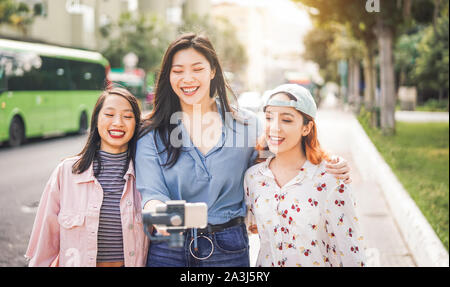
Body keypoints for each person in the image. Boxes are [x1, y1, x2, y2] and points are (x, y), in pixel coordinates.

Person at [136, 33, 352, 267]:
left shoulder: (248, 125)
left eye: (197, 69)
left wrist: (328, 163)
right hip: (169, 247)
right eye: (178, 71)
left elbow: (287, 158)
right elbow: (151, 196)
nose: (187, 78)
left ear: (212, 71)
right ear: (168, 76)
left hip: (228, 247)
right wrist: (162, 214)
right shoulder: (151, 133)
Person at [244, 84, 366, 267]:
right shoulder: (254, 178)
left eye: (287, 120)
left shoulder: (330, 178)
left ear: (306, 128)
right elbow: (253, 228)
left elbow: (351, 251)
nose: (275, 128)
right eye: (269, 118)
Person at [25, 87, 148, 267]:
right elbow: (45, 244)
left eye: (127, 117)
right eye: (109, 114)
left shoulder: (147, 177)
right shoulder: (66, 172)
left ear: (136, 124)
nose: (118, 122)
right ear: (96, 120)